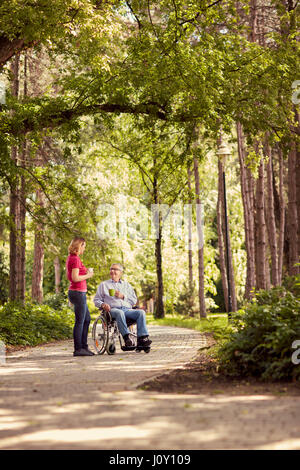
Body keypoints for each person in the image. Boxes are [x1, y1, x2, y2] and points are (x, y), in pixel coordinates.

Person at [93, 263, 152, 348]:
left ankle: (142, 338)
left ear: (121, 272)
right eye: (111, 269)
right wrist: (102, 304)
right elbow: (96, 300)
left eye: (115, 269)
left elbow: (134, 300)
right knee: (119, 312)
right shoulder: (104, 285)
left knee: (141, 312)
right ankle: (126, 338)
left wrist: (123, 296)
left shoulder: (127, 285)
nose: (112, 271)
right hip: (112, 310)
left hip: (127, 310)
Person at [66, 237, 95, 356]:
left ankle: (84, 347)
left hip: (78, 293)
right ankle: (78, 349)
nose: (85, 248)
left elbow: (75, 274)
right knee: (80, 321)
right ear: (79, 246)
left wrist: (85, 271)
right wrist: (89, 275)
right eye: (84, 246)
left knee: (86, 319)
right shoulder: (75, 259)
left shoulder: (73, 258)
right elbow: (75, 278)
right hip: (78, 293)